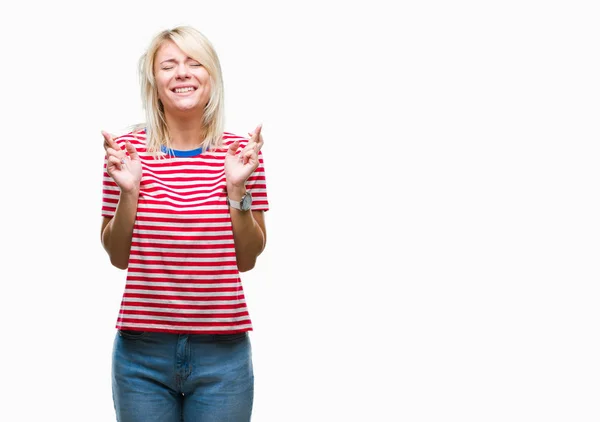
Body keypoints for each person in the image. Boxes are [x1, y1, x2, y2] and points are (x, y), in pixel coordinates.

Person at [100, 25, 268, 422]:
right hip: (141, 355)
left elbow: (248, 259)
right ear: (153, 82)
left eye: (194, 63)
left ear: (212, 77)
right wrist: (130, 191)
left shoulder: (240, 154)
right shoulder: (127, 153)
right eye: (168, 65)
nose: (182, 73)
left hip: (222, 355)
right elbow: (116, 256)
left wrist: (235, 190)